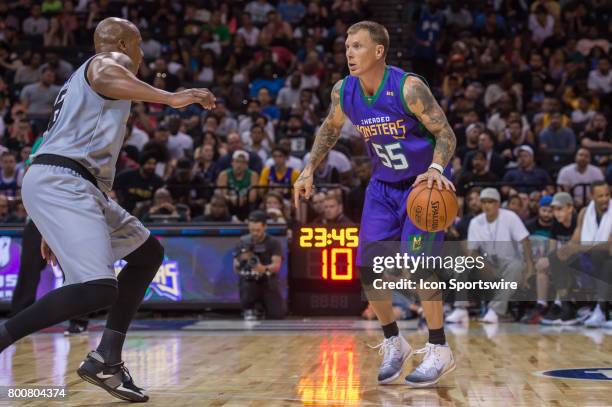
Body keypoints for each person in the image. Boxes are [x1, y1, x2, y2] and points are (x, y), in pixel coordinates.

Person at [0, 17, 216, 402]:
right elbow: (104, 73)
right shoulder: (105, 63)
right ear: (120, 43)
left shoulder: (83, 86)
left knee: (148, 253)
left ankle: (107, 359)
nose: (139, 54)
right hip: (63, 180)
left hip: (73, 182)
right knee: (96, 289)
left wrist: (50, 225)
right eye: (137, 45)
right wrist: (171, 97)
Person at [294, 21, 456, 387]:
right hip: (382, 188)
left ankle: (439, 347)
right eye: (347, 46)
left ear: (378, 51)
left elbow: (445, 132)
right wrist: (308, 170)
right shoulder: (344, 91)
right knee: (368, 269)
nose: (349, 53)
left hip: (421, 188)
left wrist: (435, 167)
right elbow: (330, 128)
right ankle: (393, 340)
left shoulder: (408, 87)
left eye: (358, 46)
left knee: (421, 267)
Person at [467, 188, 535, 324]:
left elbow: (525, 240)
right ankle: (460, 309)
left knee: (515, 266)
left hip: (509, 263)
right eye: (484, 202)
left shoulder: (510, 217)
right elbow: (472, 251)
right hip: (487, 263)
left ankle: (495, 311)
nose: (486, 205)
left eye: (490, 202)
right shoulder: (475, 222)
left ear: (498, 204)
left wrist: (530, 267)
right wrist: (484, 266)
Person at [234, 210, 285, 321]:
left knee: (277, 315)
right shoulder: (243, 242)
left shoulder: (274, 243)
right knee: (246, 283)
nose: (255, 233)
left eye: (258, 230)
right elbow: (236, 266)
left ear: (265, 227)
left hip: (268, 281)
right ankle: (250, 308)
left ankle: (264, 307)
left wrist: (262, 268)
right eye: (252, 230)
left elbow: (276, 266)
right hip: (249, 282)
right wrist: (242, 263)